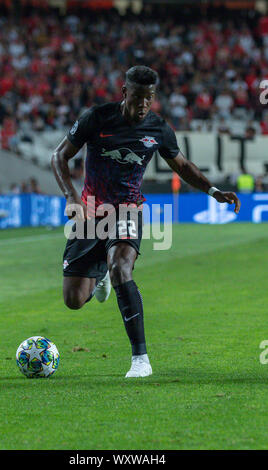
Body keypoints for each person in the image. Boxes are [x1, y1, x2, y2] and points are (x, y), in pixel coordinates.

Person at [51, 65, 241, 378]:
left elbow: (181, 164)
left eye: (149, 98)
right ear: (125, 92)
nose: (143, 104)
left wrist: (213, 190)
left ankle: (140, 359)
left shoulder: (158, 129)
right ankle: (99, 277)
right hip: (91, 211)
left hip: (129, 209)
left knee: (121, 267)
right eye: (138, 97)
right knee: (73, 300)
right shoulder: (96, 118)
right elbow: (58, 156)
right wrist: (71, 198)